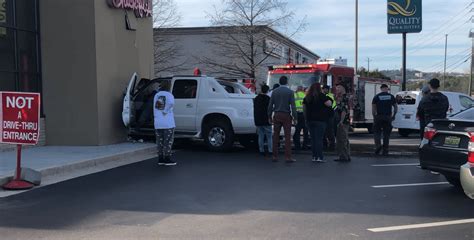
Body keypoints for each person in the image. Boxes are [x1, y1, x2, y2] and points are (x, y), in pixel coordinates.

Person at [268, 76, 297, 163]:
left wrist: (269, 116)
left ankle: (274, 156)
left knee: (275, 136)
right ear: (287, 82)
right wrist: (295, 117)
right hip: (286, 115)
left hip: (277, 115)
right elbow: (293, 106)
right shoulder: (290, 92)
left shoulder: (274, 92)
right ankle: (288, 157)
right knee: (287, 137)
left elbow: (270, 105)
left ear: (279, 82)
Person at [303, 83, 333, 163]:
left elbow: (304, 110)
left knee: (313, 139)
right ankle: (319, 157)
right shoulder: (321, 96)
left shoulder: (307, 97)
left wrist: (306, 119)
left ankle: (314, 157)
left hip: (310, 120)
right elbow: (329, 104)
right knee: (319, 139)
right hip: (320, 121)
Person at [153, 80, 177, 166]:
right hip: (168, 123)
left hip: (158, 122)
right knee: (168, 140)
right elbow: (171, 103)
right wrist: (165, 111)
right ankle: (167, 158)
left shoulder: (157, 95)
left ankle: (160, 158)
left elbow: (155, 108)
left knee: (159, 140)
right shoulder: (169, 95)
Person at [372, 84, 398, 156]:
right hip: (387, 117)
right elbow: (395, 107)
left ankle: (378, 146)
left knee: (377, 133)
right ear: (387, 89)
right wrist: (393, 116)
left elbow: (373, 108)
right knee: (386, 135)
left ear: (381, 89)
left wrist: (374, 117)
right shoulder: (391, 97)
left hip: (379, 117)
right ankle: (385, 150)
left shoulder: (376, 97)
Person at [333, 84, 351, 162]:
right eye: (336, 87)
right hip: (341, 120)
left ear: (343, 88)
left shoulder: (344, 98)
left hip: (343, 121)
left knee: (342, 139)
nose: (337, 89)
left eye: (339, 87)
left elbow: (344, 110)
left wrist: (341, 121)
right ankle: (345, 155)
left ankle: (344, 156)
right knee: (343, 139)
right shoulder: (339, 97)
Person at [254, 85, 273, 156]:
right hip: (266, 119)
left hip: (258, 120)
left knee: (260, 135)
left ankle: (261, 150)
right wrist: (270, 118)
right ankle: (270, 150)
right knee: (269, 136)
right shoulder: (268, 98)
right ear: (267, 91)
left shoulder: (256, 98)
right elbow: (270, 110)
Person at [293, 86, 310, 150]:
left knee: (297, 131)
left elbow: (292, 105)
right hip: (305, 115)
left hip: (297, 114)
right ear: (302, 90)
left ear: (297, 89)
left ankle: (297, 146)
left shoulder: (294, 95)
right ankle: (305, 146)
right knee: (305, 131)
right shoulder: (305, 95)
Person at [322, 85, 336, 151]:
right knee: (324, 132)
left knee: (329, 131)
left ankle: (331, 146)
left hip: (329, 115)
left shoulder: (330, 96)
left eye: (325, 89)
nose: (324, 90)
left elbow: (331, 104)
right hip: (326, 115)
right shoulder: (325, 96)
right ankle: (326, 145)